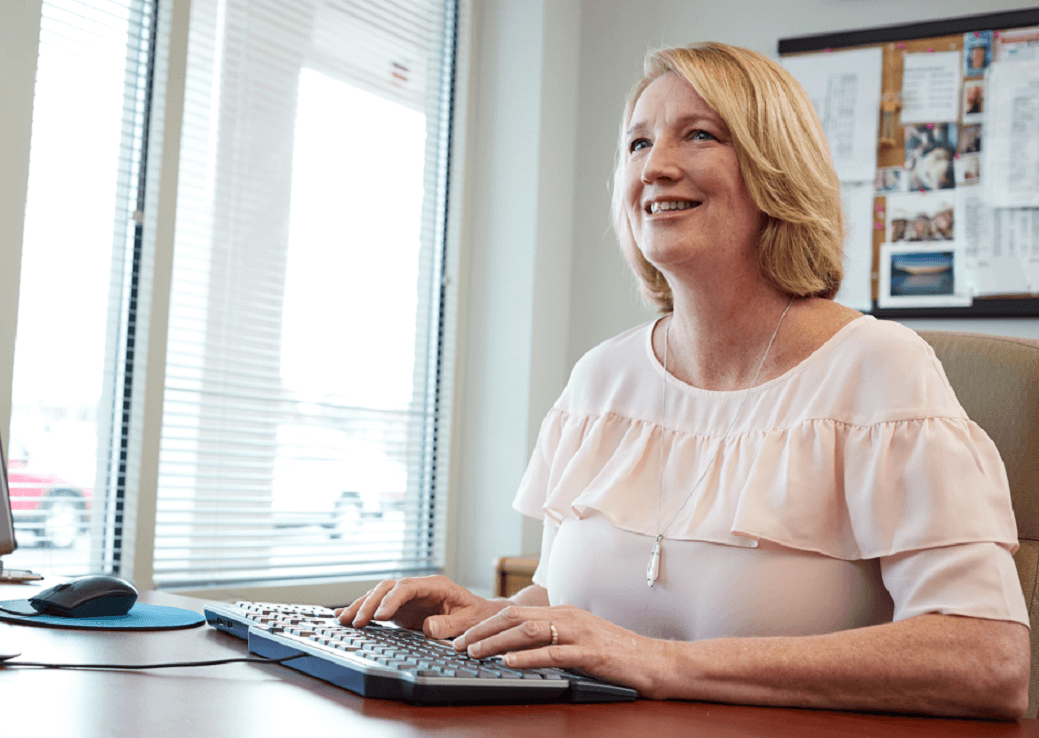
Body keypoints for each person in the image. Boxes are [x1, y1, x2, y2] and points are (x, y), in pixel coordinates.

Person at [337, 43, 1030, 719]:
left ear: (774, 169)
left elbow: (984, 661)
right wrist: (489, 619)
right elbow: (569, 604)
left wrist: (662, 664)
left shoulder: (881, 368)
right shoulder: (599, 379)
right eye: (637, 144)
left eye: (697, 135)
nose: (656, 166)